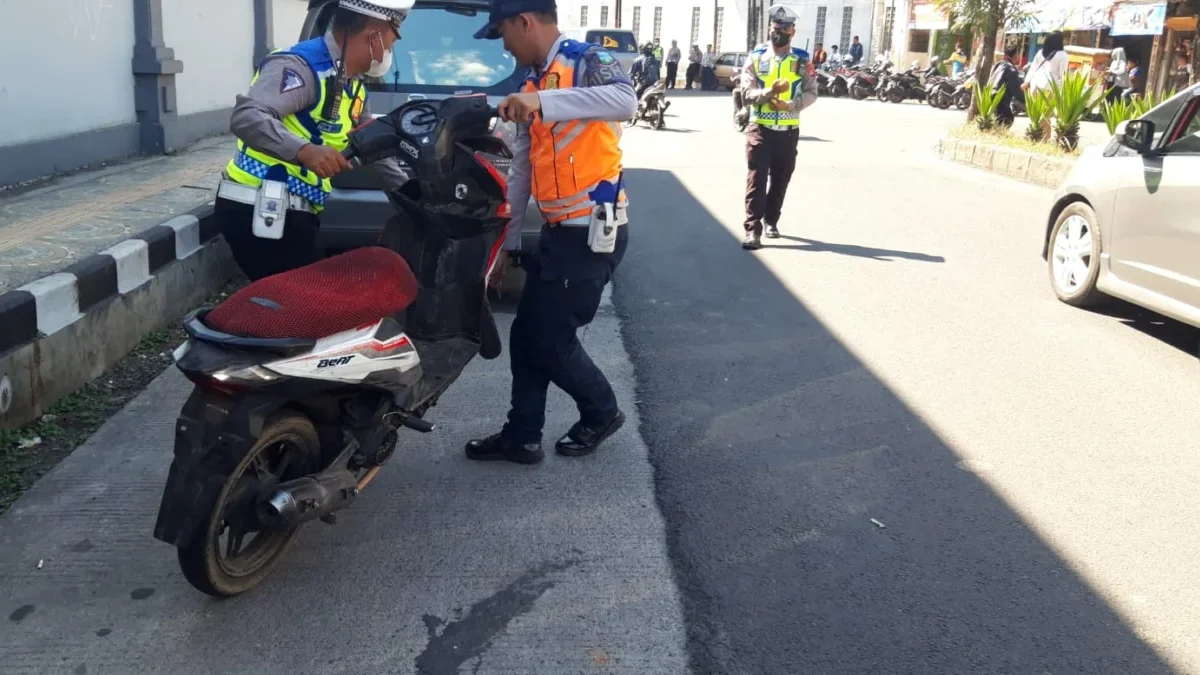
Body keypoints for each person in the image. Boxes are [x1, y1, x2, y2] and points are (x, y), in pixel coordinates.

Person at [467, 0, 636, 464]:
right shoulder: (529, 85)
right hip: (559, 233)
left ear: (525, 22)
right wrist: (511, 241)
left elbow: (626, 100)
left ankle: (601, 411)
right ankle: (522, 436)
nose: (503, 45)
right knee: (525, 336)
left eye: (502, 32)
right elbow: (521, 169)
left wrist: (542, 102)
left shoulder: (586, 59)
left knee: (549, 340)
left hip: (593, 233)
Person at [218, 0, 414, 281]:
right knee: (296, 309)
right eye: (391, 43)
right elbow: (248, 116)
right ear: (374, 36)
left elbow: (376, 148)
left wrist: (412, 199)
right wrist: (304, 151)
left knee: (300, 306)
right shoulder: (301, 67)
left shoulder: (353, 86)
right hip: (259, 207)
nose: (389, 53)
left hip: (294, 212)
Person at [739, 4, 817, 250]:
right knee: (757, 178)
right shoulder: (756, 57)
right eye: (775, 28)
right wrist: (769, 92)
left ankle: (771, 220)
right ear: (769, 29)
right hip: (759, 128)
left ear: (793, 31)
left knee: (781, 178)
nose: (779, 32)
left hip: (788, 132)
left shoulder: (802, 60)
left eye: (785, 28)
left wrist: (792, 105)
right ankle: (753, 230)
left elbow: (812, 93)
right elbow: (746, 93)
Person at [1022, 31, 1067, 138]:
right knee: (1046, 115)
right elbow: (1063, 75)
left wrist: (1027, 81)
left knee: (1037, 113)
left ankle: (1035, 135)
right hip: (1050, 87)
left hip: (1035, 85)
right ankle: (1044, 138)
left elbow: (1033, 68)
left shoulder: (1040, 52)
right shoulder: (1062, 55)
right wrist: (1062, 91)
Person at [989, 45, 1024, 127]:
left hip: (990, 97)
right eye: (1019, 54)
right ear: (1015, 55)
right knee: (1008, 119)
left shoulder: (998, 64)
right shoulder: (1011, 69)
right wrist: (1025, 99)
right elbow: (1015, 89)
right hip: (1001, 101)